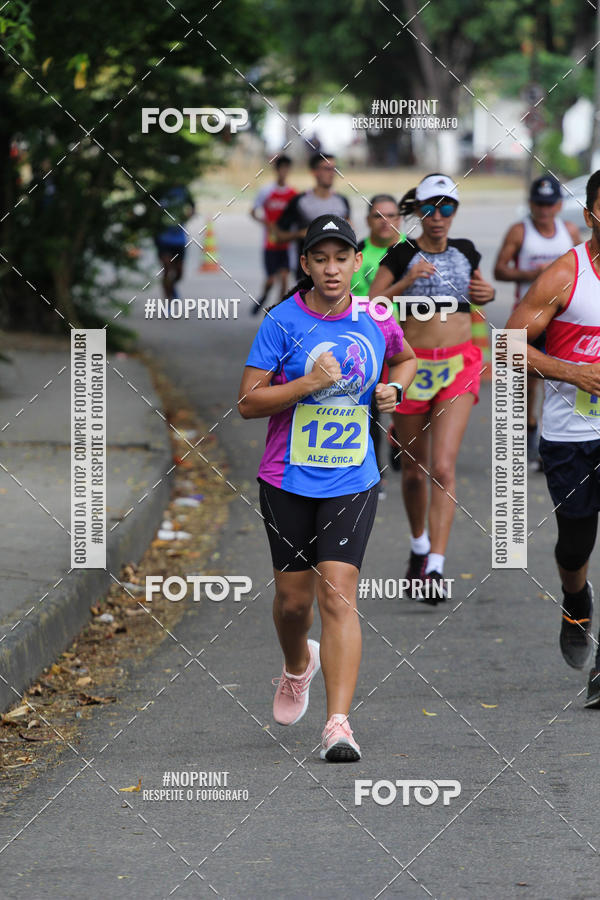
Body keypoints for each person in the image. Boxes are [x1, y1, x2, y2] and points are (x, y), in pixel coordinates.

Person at [238, 215, 416, 760]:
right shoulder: (282, 321)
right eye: (321, 259)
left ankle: (338, 725)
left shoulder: (376, 316)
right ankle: (298, 665)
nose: (332, 268)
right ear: (307, 265)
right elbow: (248, 402)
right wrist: (308, 384)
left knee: (337, 594)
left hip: (352, 478)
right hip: (287, 479)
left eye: (342, 258)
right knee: (294, 605)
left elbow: (407, 359)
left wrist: (391, 388)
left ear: (357, 262)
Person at [369, 173, 495, 601]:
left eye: (447, 208)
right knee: (414, 470)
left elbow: (476, 299)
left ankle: (435, 568)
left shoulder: (466, 251)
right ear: (418, 210)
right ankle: (419, 544)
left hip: (458, 365)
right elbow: (373, 306)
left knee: (443, 467)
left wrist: (488, 293)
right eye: (429, 208)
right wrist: (407, 282)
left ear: (455, 211)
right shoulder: (401, 252)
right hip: (412, 370)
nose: (438, 217)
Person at [505, 170, 600, 706]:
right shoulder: (564, 275)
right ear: (589, 216)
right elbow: (509, 347)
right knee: (575, 544)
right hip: (570, 436)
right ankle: (575, 598)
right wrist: (575, 373)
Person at [494, 174, 581, 465]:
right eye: (538, 204)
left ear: (558, 205)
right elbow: (499, 270)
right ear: (531, 204)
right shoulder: (520, 231)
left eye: (549, 204)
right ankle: (529, 433)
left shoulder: (569, 231)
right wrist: (533, 276)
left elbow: (585, 268)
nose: (544, 210)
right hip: (529, 315)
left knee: (558, 379)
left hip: (563, 319)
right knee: (529, 382)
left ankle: (550, 438)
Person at [351, 195, 406, 491]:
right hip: (370, 339)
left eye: (391, 215)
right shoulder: (357, 254)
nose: (385, 222)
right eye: (378, 216)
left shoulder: (413, 249)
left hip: (409, 340)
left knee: (401, 401)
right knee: (371, 405)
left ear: (400, 218)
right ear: (367, 220)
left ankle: (399, 442)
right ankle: (376, 470)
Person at [275, 154, 351, 281]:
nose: (332, 173)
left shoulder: (342, 201)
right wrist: (299, 234)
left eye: (334, 169)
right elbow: (278, 236)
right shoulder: (299, 201)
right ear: (314, 172)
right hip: (306, 275)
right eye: (327, 168)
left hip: (337, 273)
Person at [250, 155, 297, 314]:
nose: (284, 172)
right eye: (281, 168)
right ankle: (264, 295)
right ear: (276, 170)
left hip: (286, 243)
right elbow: (253, 212)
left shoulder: (292, 194)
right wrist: (267, 224)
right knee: (270, 279)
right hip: (270, 243)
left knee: (284, 279)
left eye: (286, 168)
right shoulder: (266, 191)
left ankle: (278, 312)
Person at [154, 185, 195, 299]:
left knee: (179, 273)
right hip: (163, 238)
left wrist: (187, 217)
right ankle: (168, 301)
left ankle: (172, 286)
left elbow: (192, 207)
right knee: (167, 269)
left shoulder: (183, 190)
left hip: (179, 239)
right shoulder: (159, 189)